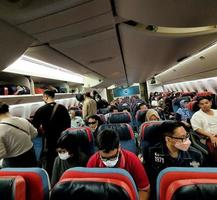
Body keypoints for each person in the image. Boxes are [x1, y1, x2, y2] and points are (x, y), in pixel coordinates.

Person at [87, 129, 150, 200]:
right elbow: (90, 191)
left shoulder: (132, 160)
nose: (108, 161)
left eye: (112, 157)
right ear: (98, 151)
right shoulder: (92, 162)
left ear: (119, 148)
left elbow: (144, 190)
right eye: (104, 158)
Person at [145, 121, 203, 199]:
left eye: (186, 136)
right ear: (168, 139)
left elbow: (201, 182)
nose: (186, 140)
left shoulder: (196, 155)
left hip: (189, 193)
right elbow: (149, 183)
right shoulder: (151, 153)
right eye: (182, 137)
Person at [32, 89, 71, 177]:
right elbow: (68, 125)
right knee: (62, 157)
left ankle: (51, 178)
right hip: (62, 138)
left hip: (49, 140)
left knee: (50, 160)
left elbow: (34, 127)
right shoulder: (63, 108)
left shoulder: (41, 110)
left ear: (46, 97)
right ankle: (65, 175)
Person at [0, 102, 37, 167]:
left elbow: (2, 153)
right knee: (31, 174)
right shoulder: (23, 120)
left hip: (13, 162)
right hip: (30, 154)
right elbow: (34, 133)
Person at [191, 96, 217, 161]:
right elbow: (197, 128)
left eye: (206, 103)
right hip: (209, 137)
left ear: (210, 103)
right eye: (202, 104)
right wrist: (211, 136)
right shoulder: (196, 115)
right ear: (199, 105)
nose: (205, 105)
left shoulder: (216, 112)